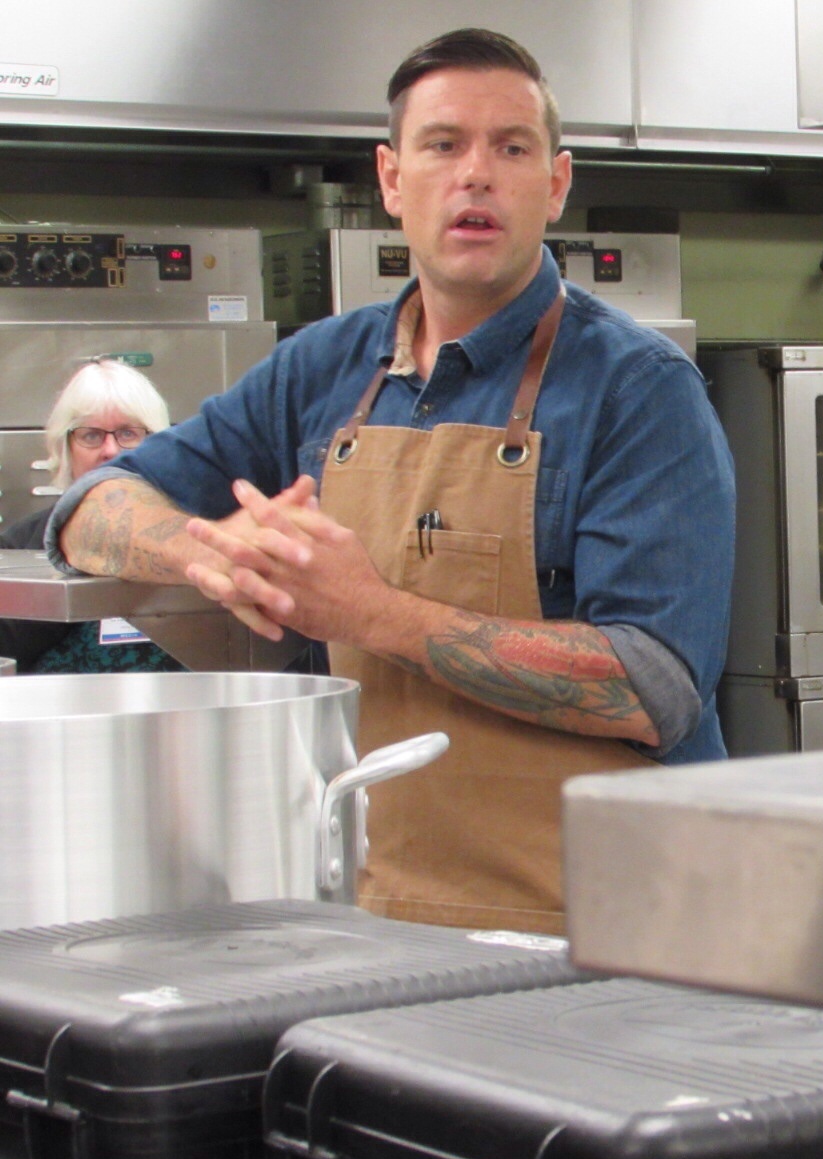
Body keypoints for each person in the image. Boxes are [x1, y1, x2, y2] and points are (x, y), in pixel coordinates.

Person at [49, 28, 736, 934]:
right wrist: (208, 553)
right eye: (444, 144)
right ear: (391, 178)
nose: (476, 174)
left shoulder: (639, 389)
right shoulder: (321, 368)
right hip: (378, 914)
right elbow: (87, 508)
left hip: (606, 926)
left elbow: (653, 689)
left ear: (556, 183)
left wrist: (371, 613)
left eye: (512, 148)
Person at [0, 358, 180, 674]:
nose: (110, 450)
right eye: (91, 436)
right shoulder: (18, 545)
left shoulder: (192, 534)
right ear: (66, 448)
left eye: (128, 433)